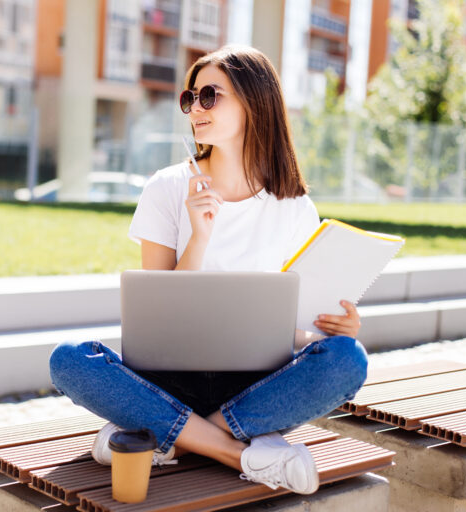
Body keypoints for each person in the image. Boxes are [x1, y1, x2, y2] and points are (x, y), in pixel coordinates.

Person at [49, 46, 367, 495]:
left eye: (210, 96)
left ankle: (163, 438)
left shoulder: (295, 207)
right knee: (68, 359)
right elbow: (155, 318)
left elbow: (295, 329)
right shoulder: (167, 187)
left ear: (255, 102)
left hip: (254, 383)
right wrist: (199, 235)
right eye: (190, 98)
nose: (195, 108)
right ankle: (238, 452)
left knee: (349, 358)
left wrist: (332, 329)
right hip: (170, 379)